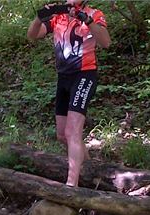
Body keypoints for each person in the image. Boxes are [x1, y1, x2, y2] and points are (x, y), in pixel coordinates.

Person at [27, 0, 111, 188]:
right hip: (63, 77)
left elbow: (106, 42)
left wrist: (86, 20)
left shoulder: (94, 14)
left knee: (73, 131)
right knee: (62, 135)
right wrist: (38, 19)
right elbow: (33, 36)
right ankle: (90, 170)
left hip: (84, 74)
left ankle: (71, 185)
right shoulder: (58, 16)